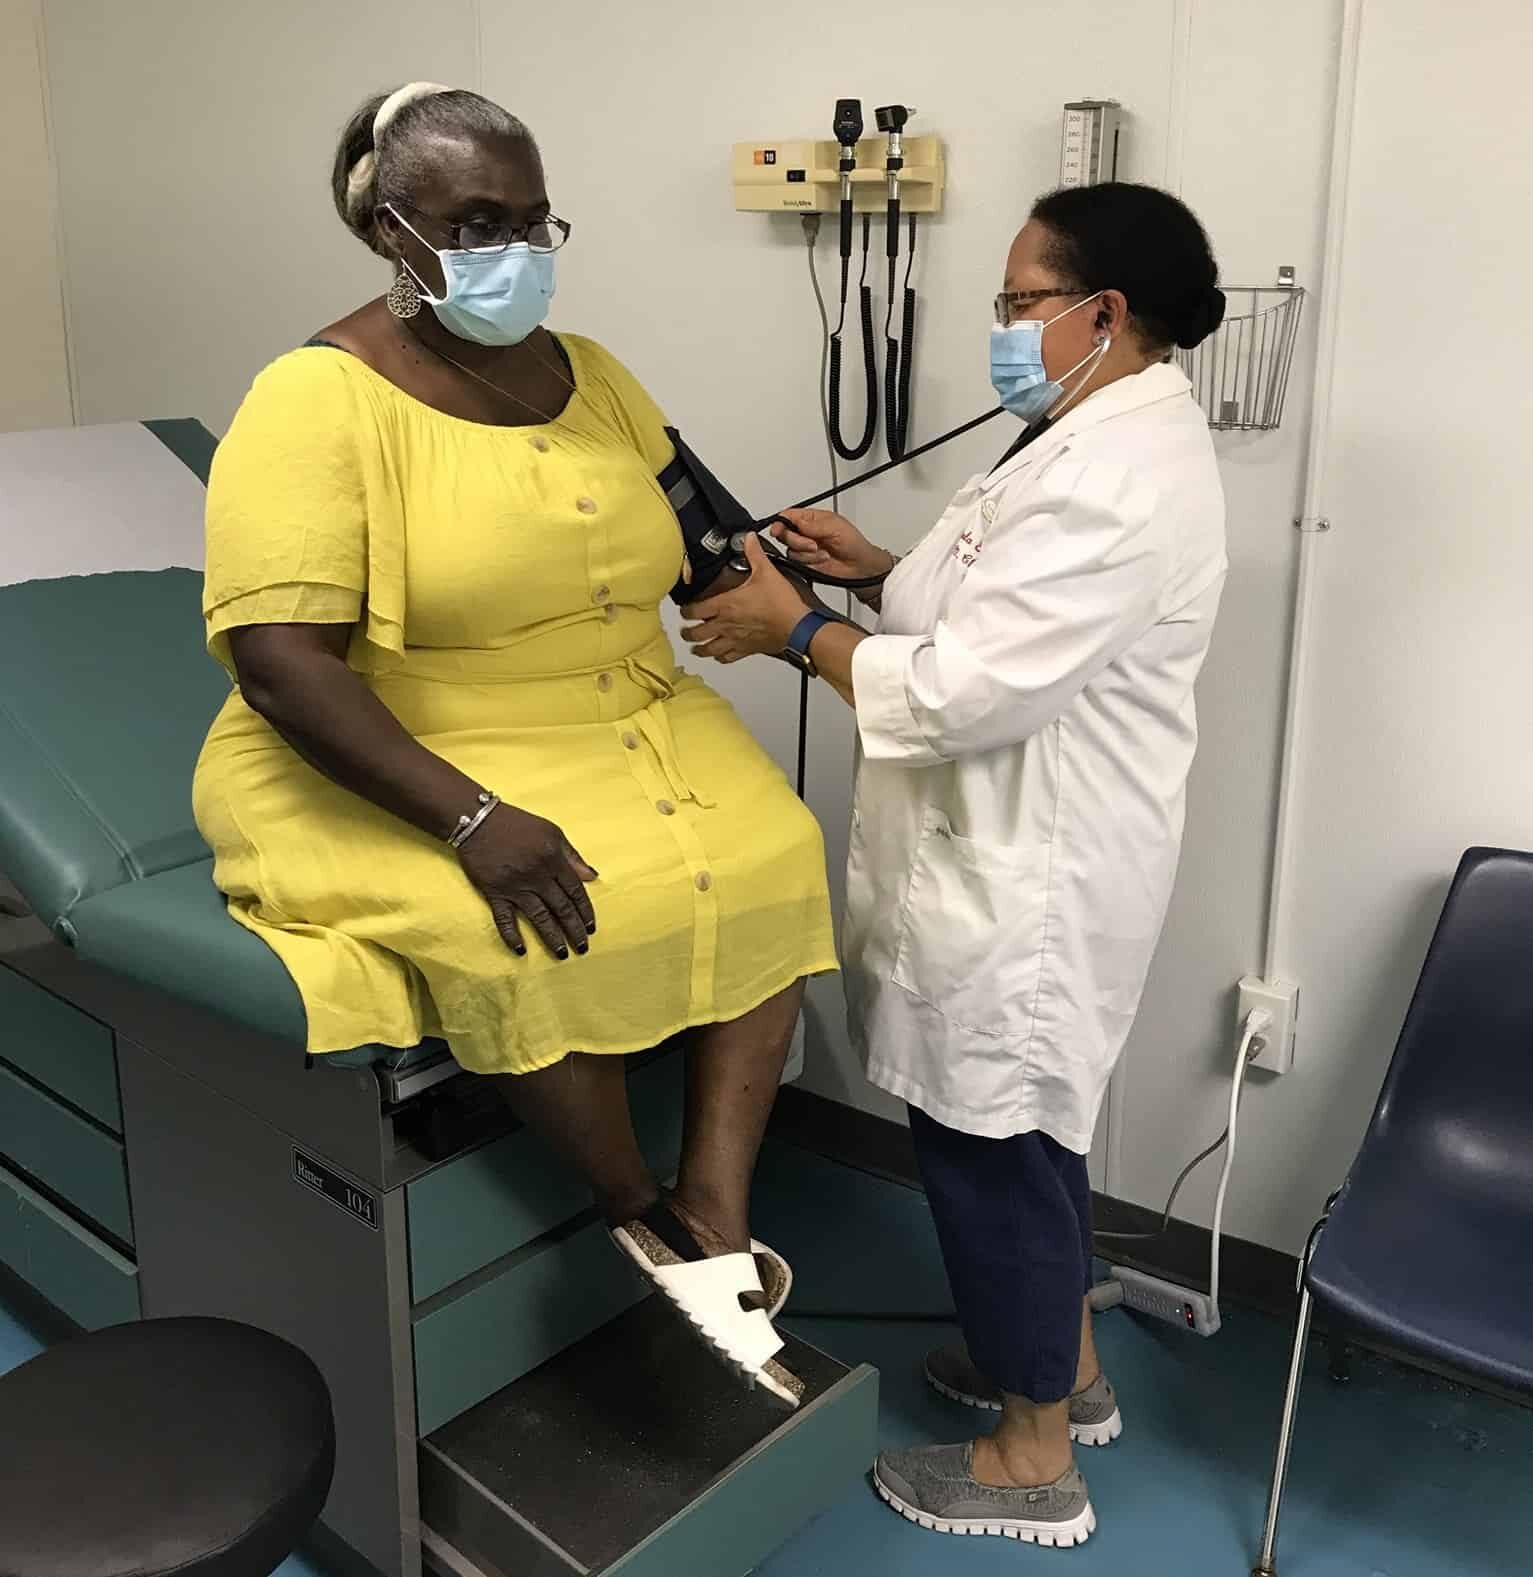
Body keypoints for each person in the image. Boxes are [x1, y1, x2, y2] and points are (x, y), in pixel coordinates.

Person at [192, 83, 838, 1406]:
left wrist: (781, 585)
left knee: (772, 850)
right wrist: (473, 821)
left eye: (532, 221)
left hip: (616, 715)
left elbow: (693, 524)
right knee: (532, 920)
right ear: (391, 229)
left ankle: (707, 1212)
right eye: (475, 222)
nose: (513, 250)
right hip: (406, 737)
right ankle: (630, 1201)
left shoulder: (590, 373)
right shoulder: (315, 400)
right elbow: (280, 662)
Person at [682, 181, 1227, 1538]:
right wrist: (870, 571)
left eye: (1016, 303)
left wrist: (791, 628)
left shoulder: (1118, 473)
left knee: (994, 1145)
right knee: (1018, 1136)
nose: (1000, 328)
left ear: (1099, 313)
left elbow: (975, 689)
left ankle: (1029, 1459)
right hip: (1000, 855)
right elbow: (985, 607)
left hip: (1026, 876)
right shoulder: (1083, 432)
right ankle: (1067, 1370)